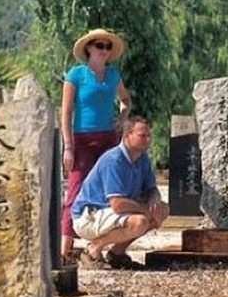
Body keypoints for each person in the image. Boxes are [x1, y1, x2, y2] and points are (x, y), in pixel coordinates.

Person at [60, 28, 132, 265]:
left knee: (106, 191)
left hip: (108, 139)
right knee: (75, 188)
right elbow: (66, 111)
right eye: (100, 46)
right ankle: (64, 250)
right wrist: (68, 146)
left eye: (107, 47)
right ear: (89, 48)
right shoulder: (76, 75)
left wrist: (123, 118)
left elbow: (125, 100)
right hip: (81, 139)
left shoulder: (113, 75)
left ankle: (98, 248)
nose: (104, 50)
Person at [70, 116, 169, 270]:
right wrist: (147, 209)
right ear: (127, 135)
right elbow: (117, 204)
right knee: (140, 221)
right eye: (142, 136)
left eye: (149, 136)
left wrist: (154, 202)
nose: (148, 140)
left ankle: (116, 254)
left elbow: (152, 189)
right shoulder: (114, 160)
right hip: (89, 215)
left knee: (162, 210)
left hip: (108, 212)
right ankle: (93, 250)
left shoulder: (142, 159)